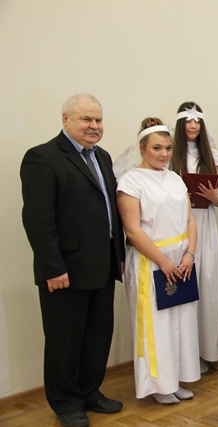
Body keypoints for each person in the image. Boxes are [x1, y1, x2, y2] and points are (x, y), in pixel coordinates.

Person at [20, 93, 125, 427]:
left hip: (103, 265)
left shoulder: (102, 156)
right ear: (66, 119)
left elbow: (111, 212)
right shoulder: (42, 158)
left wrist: (119, 256)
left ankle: (90, 391)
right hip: (65, 270)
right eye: (86, 119)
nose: (94, 126)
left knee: (98, 334)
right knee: (65, 340)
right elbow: (38, 220)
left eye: (98, 120)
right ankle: (66, 402)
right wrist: (53, 268)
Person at [117, 118, 200, 405]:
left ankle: (176, 379)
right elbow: (133, 230)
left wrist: (189, 254)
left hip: (181, 260)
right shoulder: (131, 181)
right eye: (156, 148)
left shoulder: (175, 178)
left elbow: (190, 220)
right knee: (157, 325)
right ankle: (158, 384)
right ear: (142, 148)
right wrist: (163, 262)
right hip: (151, 261)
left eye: (167, 148)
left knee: (181, 323)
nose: (163, 154)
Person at [171, 102, 218, 372]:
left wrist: (216, 197)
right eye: (188, 121)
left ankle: (205, 351)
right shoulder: (170, 153)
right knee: (184, 286)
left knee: (207, 285)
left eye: (197, 121)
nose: (192, 126)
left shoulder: (212, 154)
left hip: (205, 223)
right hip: (177, 225)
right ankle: (183, 355)